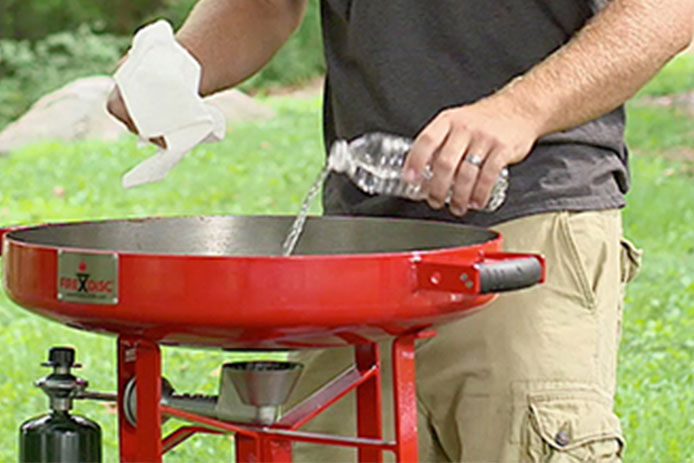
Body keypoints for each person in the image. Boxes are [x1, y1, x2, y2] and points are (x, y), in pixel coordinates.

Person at [108, 1, 691, 461]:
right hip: (358, 251)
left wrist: (519, 109)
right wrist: (175, 72)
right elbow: (262, 5)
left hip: (524, 220)